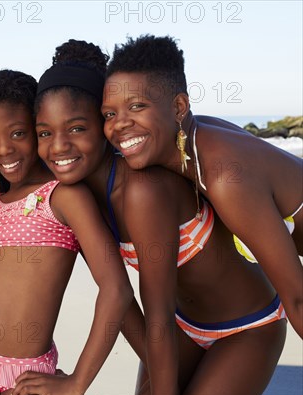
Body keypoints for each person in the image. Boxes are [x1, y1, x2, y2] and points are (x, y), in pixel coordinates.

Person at [15, 39, 287, 395]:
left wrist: (79, 385)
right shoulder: (75, 197)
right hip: (181, 328)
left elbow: (155, 311)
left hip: (248, 326)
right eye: (45, 133)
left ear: (101, 123)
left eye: (77, 128)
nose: (59, 146)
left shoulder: (142, 189)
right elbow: (119, 294)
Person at [0, 69, 133, 395]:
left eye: (17, 134)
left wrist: (77, 382)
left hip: (27, 373)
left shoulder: (64, 197)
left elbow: (116, 289)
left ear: (38, 129)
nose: (3, 150)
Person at [101, 35, 303, 340]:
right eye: (109, 114)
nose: (119, 124)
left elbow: (298, 298)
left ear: (179, 106)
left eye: (137, 106)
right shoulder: (198, 133)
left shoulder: (224, 177)